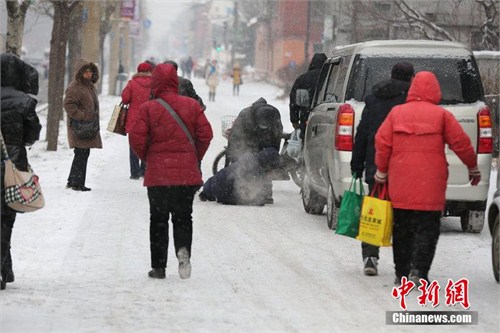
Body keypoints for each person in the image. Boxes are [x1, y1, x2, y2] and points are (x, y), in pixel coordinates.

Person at [374, 71, 481, 284]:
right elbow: (461, 143)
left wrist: (382, 170)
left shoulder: (397, 113)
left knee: (402, 231)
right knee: (428, 231)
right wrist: (472, 167)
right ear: (436, 91)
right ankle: (419, 272)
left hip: (402, 184)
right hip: (430, 186)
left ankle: (401, 273)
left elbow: (382, 142)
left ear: (412, 89)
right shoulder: (441, 116)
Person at [128, 63, 213, 280]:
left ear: (155, 83)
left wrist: (149, 158)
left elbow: (136, 138)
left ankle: (159, 267)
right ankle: (183, 252)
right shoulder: (192, 105)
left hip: (158, 176)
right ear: (175, 81)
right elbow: (206, 134)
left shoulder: (149, 108)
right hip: (186, 176)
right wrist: (195, 157)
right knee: (184, 217)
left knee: (158, 220)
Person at [350, 62, 415, 276]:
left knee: (374, 211)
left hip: (376, 164)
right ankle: (407, 262)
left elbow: (363, 133)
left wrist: (357, 163)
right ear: (410, 78)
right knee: (404, 215)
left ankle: (370, 257)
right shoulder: (413, 99)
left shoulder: (374, 97)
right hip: (405, 166)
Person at [1, 53, 42, 290]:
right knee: (6, 218)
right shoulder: (24, 101)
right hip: (12, 166)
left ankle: (5, 268)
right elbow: (33, 133)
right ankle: (3, 268)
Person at [226, 97, 283, 204]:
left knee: (265, 165)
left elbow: (277, 137)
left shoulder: (274, 116)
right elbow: (235, 136)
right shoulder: (245, 115)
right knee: (246, 163)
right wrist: (233, 154)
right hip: (248, 141)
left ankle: (266, 192)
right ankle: (242, 190)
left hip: (266, 142)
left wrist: (273, 155)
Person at [64, 59, 102, 191]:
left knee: (82, 153)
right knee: (81, 153)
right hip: (79, 126)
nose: (89, 74)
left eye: (90, 71)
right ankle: (77, 183)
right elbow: (68, 104)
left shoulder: (89, 86)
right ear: (80, 73)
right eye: (85, 72)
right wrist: (82, 116)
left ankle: (73, 180)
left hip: (87, 126)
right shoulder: (75, 87)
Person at [199, 148, 280, 206]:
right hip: (225, 194)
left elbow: (218, 178)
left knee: (223, 177)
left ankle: (207, 193)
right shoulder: (257, 171)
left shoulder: (249, 159)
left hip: (215, 184)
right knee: (259, 201)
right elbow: (250, 192)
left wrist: (206, 190)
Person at [121, 62, 152, 179]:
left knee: (134, 146)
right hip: (149, 119)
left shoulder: (132, 83)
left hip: (134, 119)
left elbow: (125, 99)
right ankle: (144, 170)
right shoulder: (155, 84)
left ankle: (134, 172)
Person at [289, 53, 327, 140]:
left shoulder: (302, 78)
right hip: (326, 118)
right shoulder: (329, 77)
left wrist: (294, 120)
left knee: (306, 140)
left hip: (306, 117)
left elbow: (294, 100)